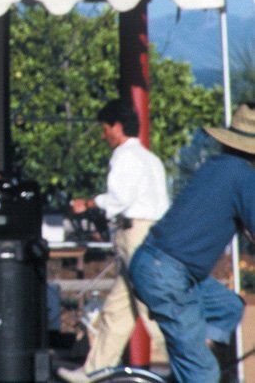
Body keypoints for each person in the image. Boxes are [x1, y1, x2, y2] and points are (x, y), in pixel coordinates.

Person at [129, 102, 255, 383]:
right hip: (169, 274)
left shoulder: (217, 166)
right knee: (203, 372)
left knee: (228, 307)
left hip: (160, 266)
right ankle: (195, 367)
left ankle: (190, 362)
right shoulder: (245, 176)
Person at [58, 99, 169, 383]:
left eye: (105, 128)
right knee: (117, 311)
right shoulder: (151, 159)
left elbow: (119, 200)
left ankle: (191, 369)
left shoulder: (124, 157)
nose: (103, 134)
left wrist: (89, 203)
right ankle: (93, 372)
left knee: (151, 306)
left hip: (134, 234)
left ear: (117, 127)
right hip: (151, 232)